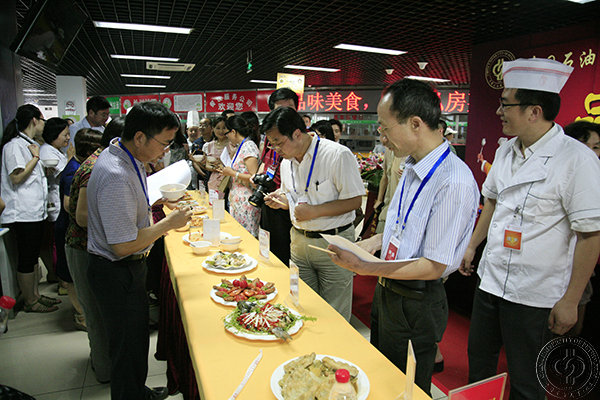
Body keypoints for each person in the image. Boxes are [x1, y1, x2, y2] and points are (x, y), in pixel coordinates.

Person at [327, 79, 479, 395]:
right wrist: (367, 244)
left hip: (417, 301)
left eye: (385, 128)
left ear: (415, 124)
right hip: (389, 291)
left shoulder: (453, 182)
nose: (381, 137)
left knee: (407, 388)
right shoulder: (411, 166)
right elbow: (402, 229)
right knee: (383, 375)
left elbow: (434, 266)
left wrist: (367, 267)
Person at [459, 58, 600, 400]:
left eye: (505, 104)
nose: (499, 112)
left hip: (535, 294)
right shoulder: (506, 150)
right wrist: (472, 245)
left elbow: (590, 235)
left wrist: (571, 300)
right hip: (492, 281)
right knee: (479, 366)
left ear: (534, 111)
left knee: (526, 382)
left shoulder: (577, 160)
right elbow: (492, 201)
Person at [86, 102, 192, 400]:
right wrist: (168, 223)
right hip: (116, 270)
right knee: (126, 346)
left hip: (124, 268)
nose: (165, 150)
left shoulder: (121, 153)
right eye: (164, 143)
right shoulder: (116, 174)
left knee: (134, 342)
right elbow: (122, 245)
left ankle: (137, 392)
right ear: (140, 137)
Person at [263, 107, 365, 320]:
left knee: (335, 312)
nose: (276, 149)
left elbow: (355, 200)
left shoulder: (336, 155)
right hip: (299, 241)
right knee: (303, 306)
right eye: (272, 144)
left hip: (333, 242)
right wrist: (283, 202)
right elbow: (294, 197)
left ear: (297, 134)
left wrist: (314, 211)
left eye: (279, 142)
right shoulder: (286, 163)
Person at [65, 117, 124, 384]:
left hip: (93, 246)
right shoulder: (96, 167)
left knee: (102, 312)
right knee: (96, 314)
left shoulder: (105, 161)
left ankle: (103, 362)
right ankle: (104, 372)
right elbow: (82, 217)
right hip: (83, 247)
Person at [1, 104, 61, 312]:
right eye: (43, 120)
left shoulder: (30, 144)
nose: (44, 125)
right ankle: (30, 301)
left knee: (33, 255)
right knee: (27, 258)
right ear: (34, 120)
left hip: (35, 211)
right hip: (22, 212)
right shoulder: (14, 146)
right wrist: (36, 158)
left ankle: (35, 295)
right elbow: (16, 177)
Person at [57, 127, 103, 330]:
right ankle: (80, 315)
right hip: (70, 228)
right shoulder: (77, 170)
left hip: (78, 229)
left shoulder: (80, 165)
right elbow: (69, 205)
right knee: (73, 277)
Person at [217, 116, 260, 236]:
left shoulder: (249, 146)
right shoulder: (241, 146)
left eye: (227, 133)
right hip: (237, 199)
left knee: (246, 236)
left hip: (246, 200)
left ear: (233, 132)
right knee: (238, 235)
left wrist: (232, 173)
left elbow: (254, 177)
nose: (227, 137)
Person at [40, 118, 70, 222]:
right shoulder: (46, 150)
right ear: (54, 134)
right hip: (55, 199)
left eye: (69, 134)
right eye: (65, 135)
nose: (68, 138)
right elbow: (64, 174)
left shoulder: (60, 150)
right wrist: (71, 158)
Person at [203, 117, 230, 198]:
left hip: (229, 179)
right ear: (213, 129)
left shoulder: (232, 145)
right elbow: (207, 165)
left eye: (224, 128)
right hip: (213, 180)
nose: (221, 131)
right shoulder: (208, 146)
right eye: (218, 128)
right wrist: (215, 167)